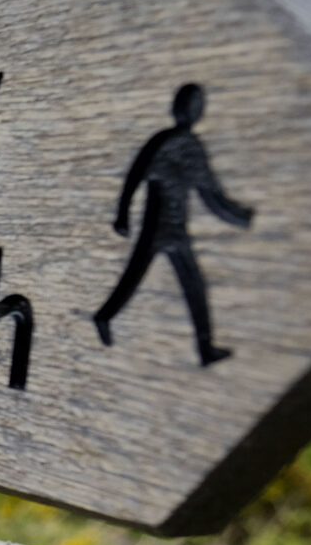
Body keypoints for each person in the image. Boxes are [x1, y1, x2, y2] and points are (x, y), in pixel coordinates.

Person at [94, 82, 254, 366]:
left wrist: (240, 216)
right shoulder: (165, 143)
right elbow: (135, 177)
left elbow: (212, 194)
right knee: (133, 278)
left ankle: (205, 348)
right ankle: (104, 317)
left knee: (193, 284)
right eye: (191, 105)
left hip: (178, 230)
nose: (194, 111)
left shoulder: (194, 149)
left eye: (198, 105)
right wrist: (122, 215)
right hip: (156, 228)